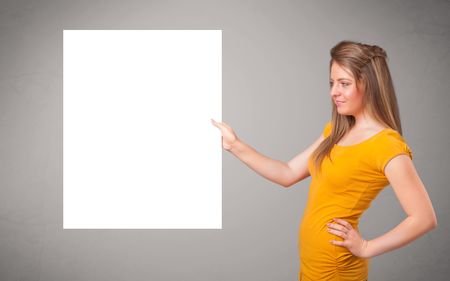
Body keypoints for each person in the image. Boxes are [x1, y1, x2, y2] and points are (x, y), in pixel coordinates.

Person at [211, 40, 438, 281]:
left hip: (337, 267)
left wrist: (367, 247)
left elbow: (424, 218)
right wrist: (235, 145)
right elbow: (287, 173)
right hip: (313, 262)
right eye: (332, 83)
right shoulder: (335, 131)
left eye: (344, 83)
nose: (333, 92)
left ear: (369, 84)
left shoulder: (386, 144)